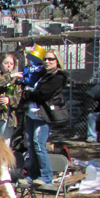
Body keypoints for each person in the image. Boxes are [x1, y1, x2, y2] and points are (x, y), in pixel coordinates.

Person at [22, 49, 67, 184]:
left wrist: (27, 94)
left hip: (44, 115)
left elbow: (42, 95)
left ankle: (46, 176)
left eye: (51, 59)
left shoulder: (58, 77)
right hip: (32, 114)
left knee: (39, 144)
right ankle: (33, 175)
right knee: (31, 145)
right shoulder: (42, 75)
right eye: (45, 59)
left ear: (57, 61)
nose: (47, 62)